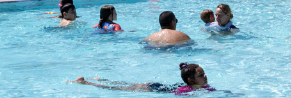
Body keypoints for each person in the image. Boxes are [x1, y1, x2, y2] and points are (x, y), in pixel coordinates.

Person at [71, 63, 216, 94]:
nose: (205, 76)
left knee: (128, 84)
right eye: (201, 75)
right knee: (121, 88)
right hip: (153, 88)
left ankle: (100, 79)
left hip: (158, 85)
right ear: (191, 81)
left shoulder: (202, 87)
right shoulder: (185, 91)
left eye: (204, 73)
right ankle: (87, 82)